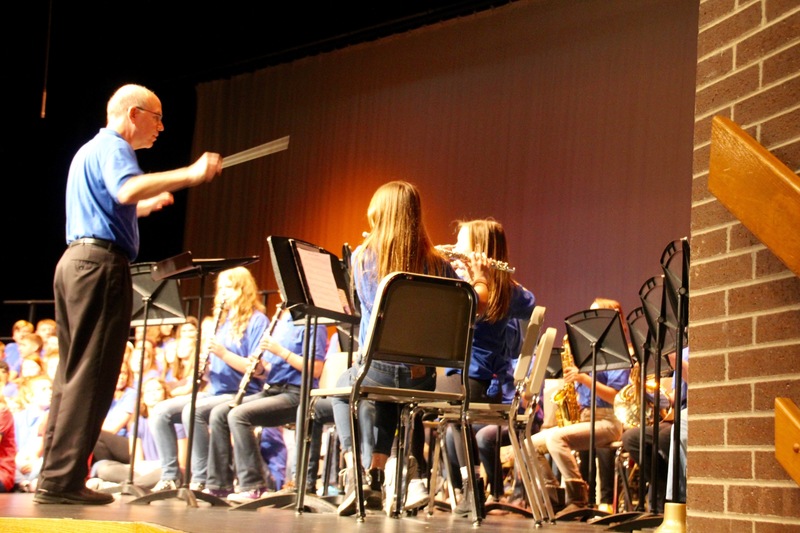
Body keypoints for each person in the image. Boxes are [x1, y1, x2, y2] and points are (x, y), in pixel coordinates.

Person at [35, 83, 222, 506]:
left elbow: (113, 201)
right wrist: (191, 173)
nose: (161, 127)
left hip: (73, 264)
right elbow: (123, 189)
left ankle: (53, 477)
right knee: (94, 375)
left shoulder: (88, 150)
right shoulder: (117, 147)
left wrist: (142, 206)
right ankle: (63, 483)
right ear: (134, 114)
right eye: (157, 117)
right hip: (99, 267)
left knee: (71, 375)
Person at [332, 180, 490, 516]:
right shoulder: (437, 264)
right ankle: (381, 478)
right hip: (422, 377)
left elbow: (372, 316)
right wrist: (480, 278)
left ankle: (356, 475)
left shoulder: (363, 258)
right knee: (388, 397)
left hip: (377, 370)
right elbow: (473, 304)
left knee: (343, 390)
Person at [441, 219, 536, 517]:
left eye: (461, 245)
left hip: (475, 381)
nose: (454, 249)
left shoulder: (484, 292)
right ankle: (466, 488)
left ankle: (470, 487)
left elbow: (526, 303)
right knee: (450, 423)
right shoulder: (504, 291)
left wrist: (484, 276)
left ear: (480, 251)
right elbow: (530, 301)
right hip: (477, 384)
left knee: (444, 411)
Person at [151, 266, 268, 492]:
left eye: (230, 287)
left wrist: (223, 353)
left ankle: (202, 477)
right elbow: (214, 369)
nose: (223, 293)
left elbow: (256, 368)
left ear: (243, 290)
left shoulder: (257, 321)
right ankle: (170, 476)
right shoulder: (222, 322)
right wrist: (204, 369)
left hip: (243, 392)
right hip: (215, 391)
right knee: (160, 412)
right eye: (220, 287)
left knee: (192, 411)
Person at [208, 303, 327, 502]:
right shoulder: (281, 322)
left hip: (298, 394)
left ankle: (253, 485)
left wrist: (281, 352)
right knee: (220, 413)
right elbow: (272, 371)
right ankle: (219, 485)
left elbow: (315, 369)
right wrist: (259, 370)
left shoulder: (315, 322)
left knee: (238, 415)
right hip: (273, 389)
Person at [530, 297, 631, 518]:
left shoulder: (617, 354)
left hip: (608, 421)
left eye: (595, 315)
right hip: (586, 419)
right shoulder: (586, 355)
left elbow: (617, 397)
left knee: (556, 439)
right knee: (529, 443)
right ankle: (553, 498)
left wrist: (583, 379)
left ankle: (577, 498)